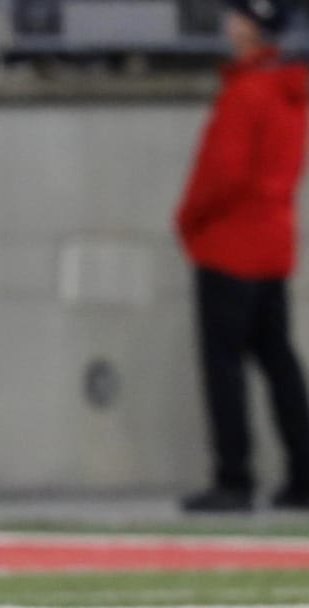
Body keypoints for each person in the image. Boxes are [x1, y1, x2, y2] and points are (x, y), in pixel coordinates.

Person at [177, 0, 309, 512]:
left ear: (252, 29)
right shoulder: (289, 93)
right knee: (280, 363)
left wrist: (188, 221)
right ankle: (302, 473)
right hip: (272, 246)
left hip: (229, 248)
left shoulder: (247, 93)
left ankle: (234, 478)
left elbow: (220, 175)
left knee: (225, 369)